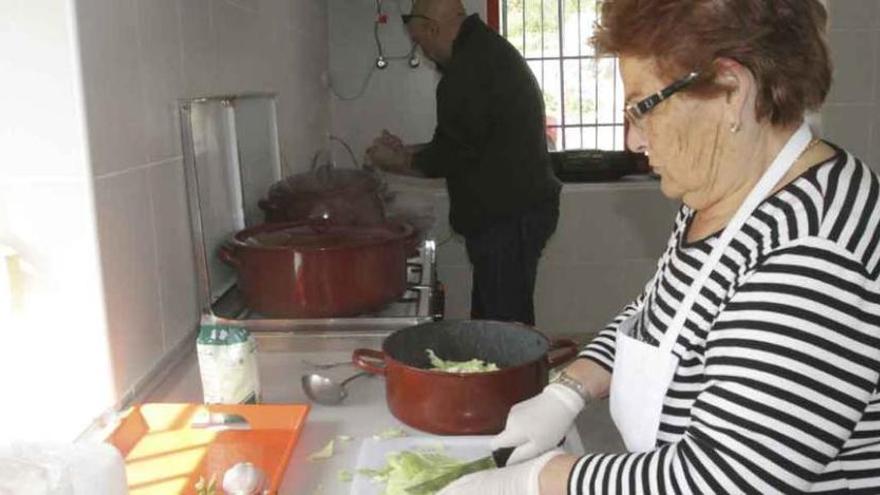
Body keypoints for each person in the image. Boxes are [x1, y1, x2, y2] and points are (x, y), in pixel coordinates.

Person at [438, 0, 880, 493]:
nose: (632, 139)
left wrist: (541, 481)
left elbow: (722, 480)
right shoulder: (722, 193)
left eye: (642, 107)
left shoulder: (812, 251)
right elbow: (653, 317)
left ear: (732, 91)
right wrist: (570, 390)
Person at [366, 0, 562, 326]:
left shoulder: (467, 71)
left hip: (507, 217)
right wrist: (406, 151)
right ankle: (498, 372)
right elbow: (468, 142)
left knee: (504, 326)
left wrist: (395, 162)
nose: (422, 51)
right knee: (494, 320)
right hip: (518, 210)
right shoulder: (484, 52)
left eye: (419, 42)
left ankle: (512, 376)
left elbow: (448, 156)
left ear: (432, 28)